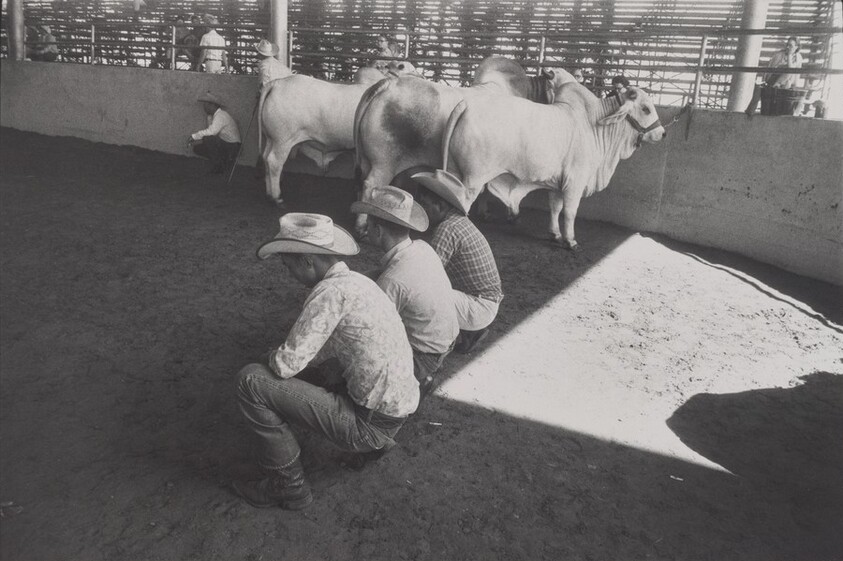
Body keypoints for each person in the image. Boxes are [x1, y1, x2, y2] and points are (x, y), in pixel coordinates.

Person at [234, 212, 419, 510]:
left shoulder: (329, 293)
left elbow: (285, 365)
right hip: (396, 410)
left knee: (251, 380)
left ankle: (288, 487)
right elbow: (322, 349)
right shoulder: (358, 282)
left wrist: (270, 355)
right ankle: (375, 442)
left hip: (369, 424)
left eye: (288, 266)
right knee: (316, 370)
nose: (289, 274)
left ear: (307, 260)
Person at [351, 185, 459, 396]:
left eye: (369, 224)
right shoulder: (421, 247)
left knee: (355, 354)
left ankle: (417, 377)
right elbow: (385, 272)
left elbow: (371, 329)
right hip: (446, 342)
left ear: (378, 231)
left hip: (424, 355)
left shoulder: (392, 280)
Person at [411, 170, 504, 354]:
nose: (421, 209)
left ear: (440, 205)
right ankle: (469, 332)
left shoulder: (448, 228)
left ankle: (432, 353)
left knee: (418, 296)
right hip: (482, 300)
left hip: (479, 306)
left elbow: (425, 274)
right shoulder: (455, 221)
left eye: (424, 204)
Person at [745, 36, 804, 116]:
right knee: (789, 71)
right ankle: (777, 85)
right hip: (773, 80)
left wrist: (793, 85)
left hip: (787, 82)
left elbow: (794, 72)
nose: (788, 47)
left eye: (791, 45)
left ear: (797, 47)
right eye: (787, 44)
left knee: (790, 73)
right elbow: (770, 70)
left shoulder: (798, 57)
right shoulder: (779, 55)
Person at [188, 91, 241, 174]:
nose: (204, 108)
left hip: (232, 146)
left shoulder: (221, 115)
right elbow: (211, 130)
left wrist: (194, 136)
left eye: (206, 105)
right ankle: (222, 160)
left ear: (213, 105)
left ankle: (219, 166)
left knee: (208, 139)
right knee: (197, 149)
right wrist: (209, 118)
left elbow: (212, 132)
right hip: (226, 144)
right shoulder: (213, 116)